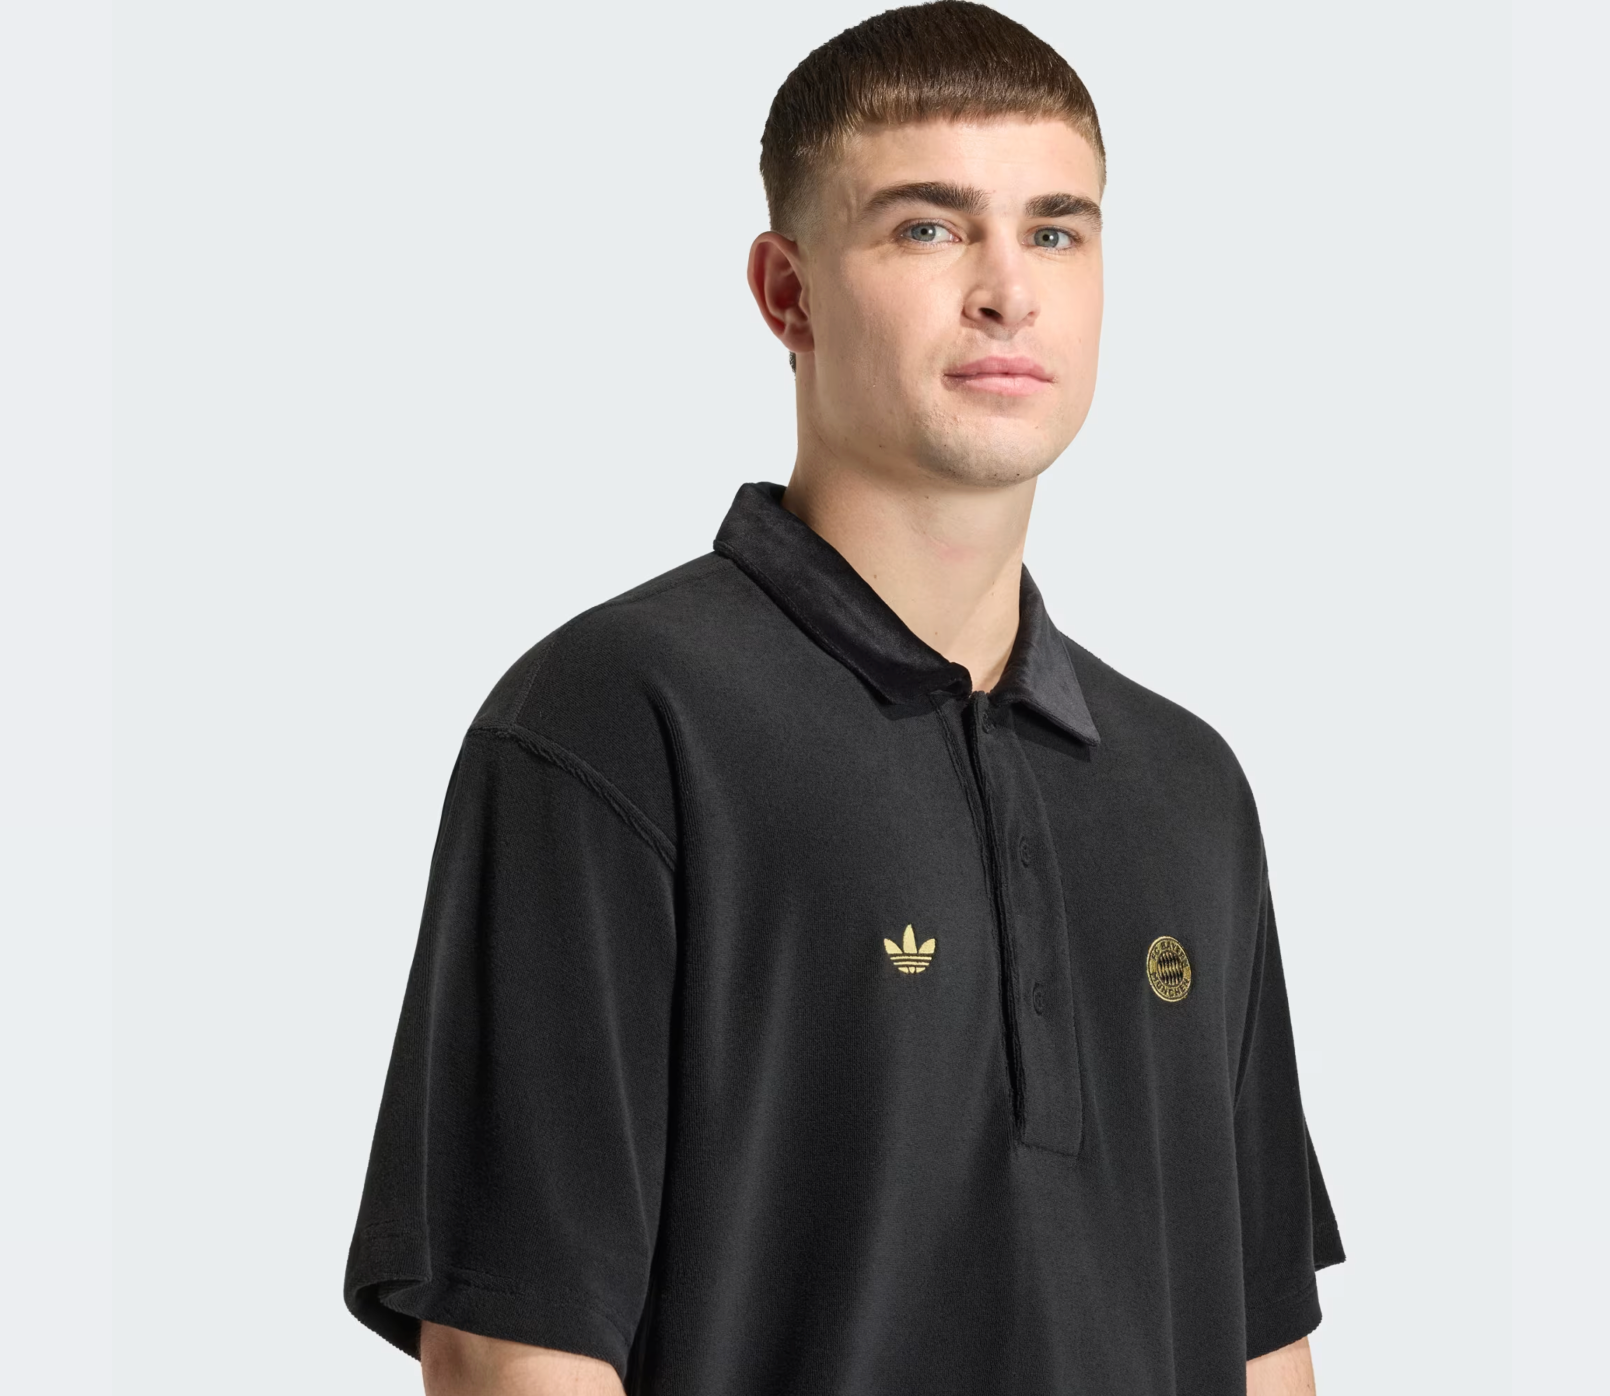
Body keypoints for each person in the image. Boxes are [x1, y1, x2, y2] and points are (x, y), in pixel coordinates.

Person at [343, 3, 1345, 1392]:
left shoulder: (1184, 785)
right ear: (787, 292)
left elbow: (1260, 1344)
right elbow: (515, 1353)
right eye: (929, 228)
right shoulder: (620, 721)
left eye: (1057, 231)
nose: (1008, 291)